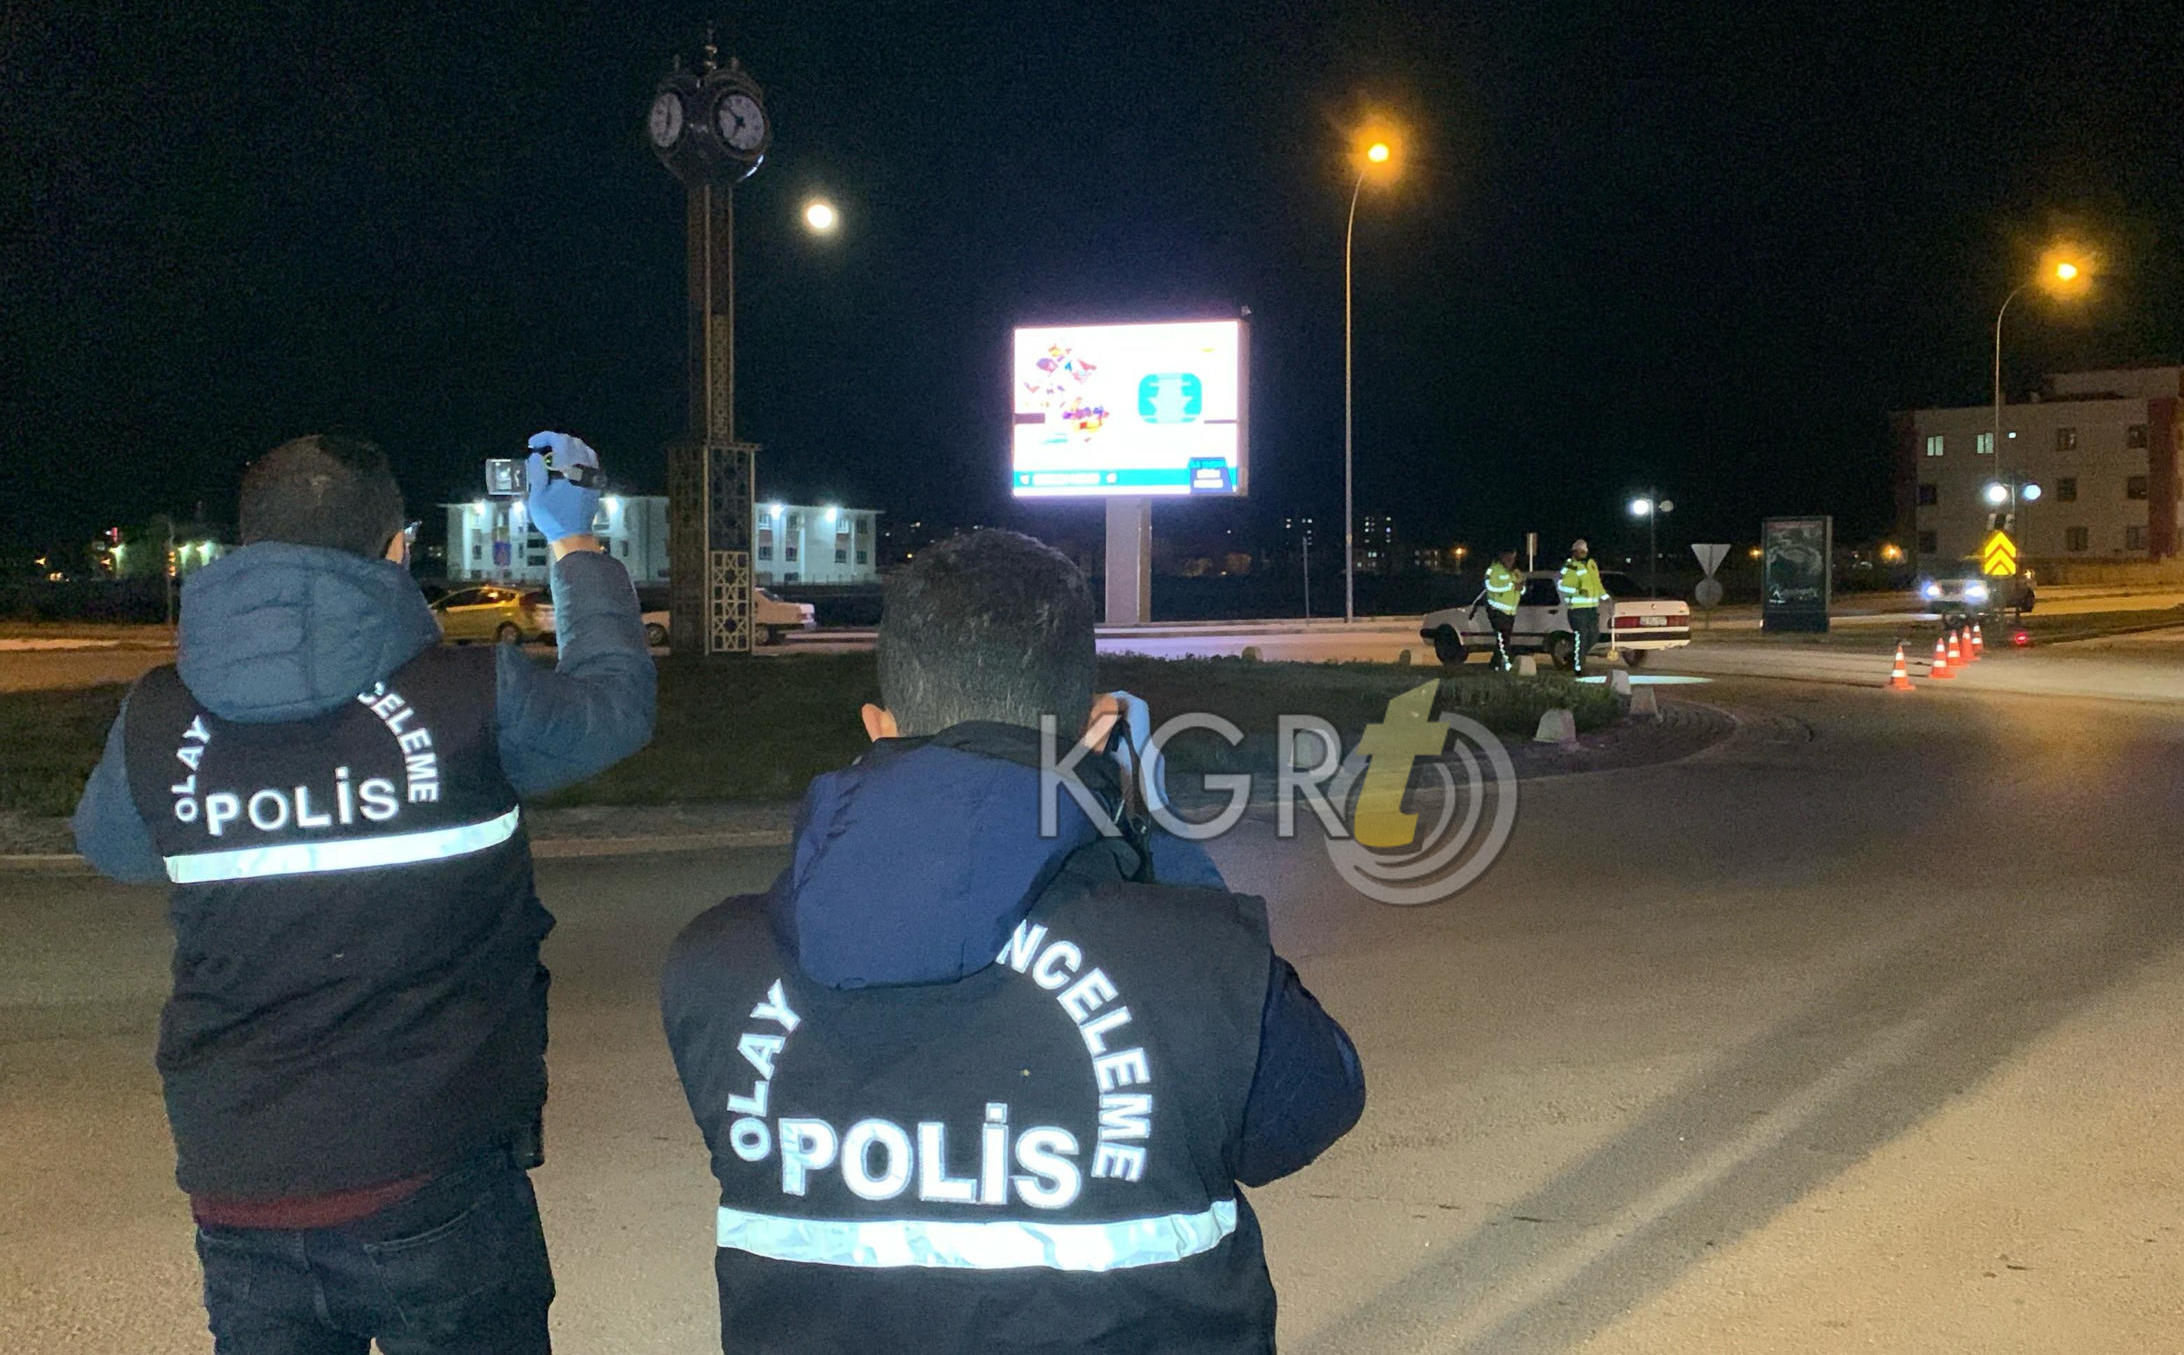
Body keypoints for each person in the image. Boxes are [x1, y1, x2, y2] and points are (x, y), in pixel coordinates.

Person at [661, 529, 1364, 1354]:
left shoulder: (715, 963)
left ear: (878, 728)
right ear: (1097, 731)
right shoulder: (1193, 959)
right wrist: (1155, 838)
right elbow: (1312, 1108)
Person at [74, 432, 655, 1353]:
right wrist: (574, 542)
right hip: (440, 1170)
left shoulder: (158, 713)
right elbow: (612, 707)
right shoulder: (469, 695)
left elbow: (116, 848)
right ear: (397, 548)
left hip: (240, 1183)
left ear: (247, 552)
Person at [1559, 537, 1606, 674]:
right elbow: (1562, 586)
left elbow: (1597, 584)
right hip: (1577, 610)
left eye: (1584, 551)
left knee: (1594, 636)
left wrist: (1605, 596)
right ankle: (1578, 668)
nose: (1583, 553)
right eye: (1580, 551)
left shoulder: (1591, 565)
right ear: (1574, 552)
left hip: (1591, 609)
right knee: (1582, 637)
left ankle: (1573, 658)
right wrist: (1578, 591)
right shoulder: (1570, 566)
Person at [1482, 547, 1524, 671]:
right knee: (1503, 638)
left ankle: (1495, 664)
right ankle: (1508, 663)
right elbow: (1490, 586)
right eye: (1508, 557)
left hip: (1511, 612)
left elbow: (1521, 589)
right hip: (1497, 610)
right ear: (1502, 556)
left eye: (1513, 558)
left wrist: (1521, 588)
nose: (1511, 560)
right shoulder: (1493, 570)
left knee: (1503, 639)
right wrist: (1511, 586)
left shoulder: (1516, 572)